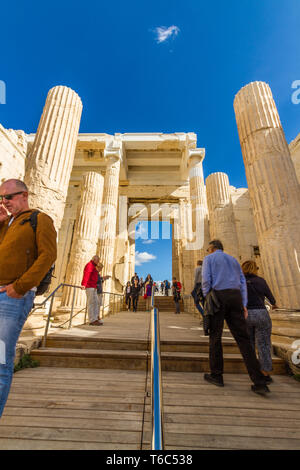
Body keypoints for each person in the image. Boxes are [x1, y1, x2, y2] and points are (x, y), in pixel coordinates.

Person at [0, 179, 57, 417]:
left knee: (1, 360)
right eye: (1, 198)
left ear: (24, 194)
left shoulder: (40, 219)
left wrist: (20, 287)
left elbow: (48, 256)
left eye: (8, 197)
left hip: (12, 299)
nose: (4, 202)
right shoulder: (6, 223)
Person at [202, 239, 270, 396]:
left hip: (218, 296)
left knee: (215, 337)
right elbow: (242, 282)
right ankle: (259, 382)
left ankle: (217, 375)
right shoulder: (233, 260)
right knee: (244, 340)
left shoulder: (209, 259)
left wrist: (208, 298)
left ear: (212, 249)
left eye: (208, 249)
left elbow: (206, 281)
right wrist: (244, 304)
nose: (207, 252)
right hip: (236, 297)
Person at [242, 260, 278, 384]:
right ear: (255, 269)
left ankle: (254, 372)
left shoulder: (240, 282)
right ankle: (265, 373)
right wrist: (274, 304)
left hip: (246, 315)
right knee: (264, 344)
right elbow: (270, 296)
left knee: (249, 346)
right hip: (261, 313)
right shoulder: (261, 281)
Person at [81, 255, 103, 326]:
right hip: (89, 286)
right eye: (97, 261)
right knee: (91, 303)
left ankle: (95, 318)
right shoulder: (89, 265)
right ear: (94, 259)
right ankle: (92, 320)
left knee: (96, 302)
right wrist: (84, 284)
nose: (98, 262)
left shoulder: (93, 266)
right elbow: (86, 274)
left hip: (94, 287)